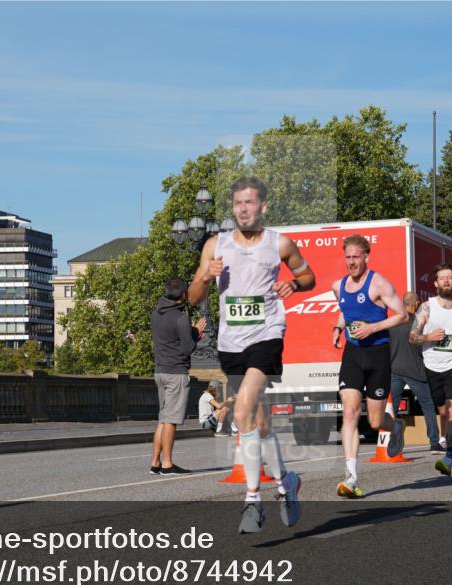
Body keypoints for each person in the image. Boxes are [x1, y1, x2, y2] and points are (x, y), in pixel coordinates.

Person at [188, 175, 314, 534]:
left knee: (242, 412)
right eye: (238, 203)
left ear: (263, 207)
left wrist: (293, 282)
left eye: (250, 202)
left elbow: (310, 278)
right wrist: (204, 278)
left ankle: (253, 502)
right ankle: (287, 481)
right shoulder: (216, 245)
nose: (244, 209)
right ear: (234, 208)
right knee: (259, 422)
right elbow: (194, 297)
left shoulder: (280, 244)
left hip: (267, 336)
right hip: (231, 344)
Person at [330, 236, 409, 497]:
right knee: (350, 413)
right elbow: (345, 310)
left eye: (356, 257)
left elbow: (402, 315)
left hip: (377, 355)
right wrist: (338, 327)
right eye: (348, 257)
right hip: (353, 355)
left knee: (375, 422)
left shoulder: (378, 283)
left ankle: (395, 427)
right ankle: (351, 477)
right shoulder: (338, 286)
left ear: (366, 257)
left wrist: (372, 328)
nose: (351, 262)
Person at [409, 263, 452, 476]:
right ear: (435, 283)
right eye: (442, 278)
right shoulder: (426, 308)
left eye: (450, 277)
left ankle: (448, 459)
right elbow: (412, 337)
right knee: (444, 414)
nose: (446, 281)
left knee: (451, 411)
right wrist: (428, 337)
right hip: (432, 366)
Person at [150, 277, 205, 475]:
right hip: (176, 372)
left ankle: (155, 462)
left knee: (163, 418)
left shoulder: (156, 313)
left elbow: (169, 338)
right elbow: (187, 348)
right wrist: (196, 333)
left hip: (160, 370)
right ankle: (167, 464)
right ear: (183, 295)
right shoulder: (181, 317)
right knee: (171, 420)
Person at [389, 292, 443, 455]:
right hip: (415, 371)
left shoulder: (392, 323)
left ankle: (392, 444)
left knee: (392, 409)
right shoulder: (418, 323)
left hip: (394, 370)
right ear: (416, 303)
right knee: (427, 406)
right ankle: (434, 443)